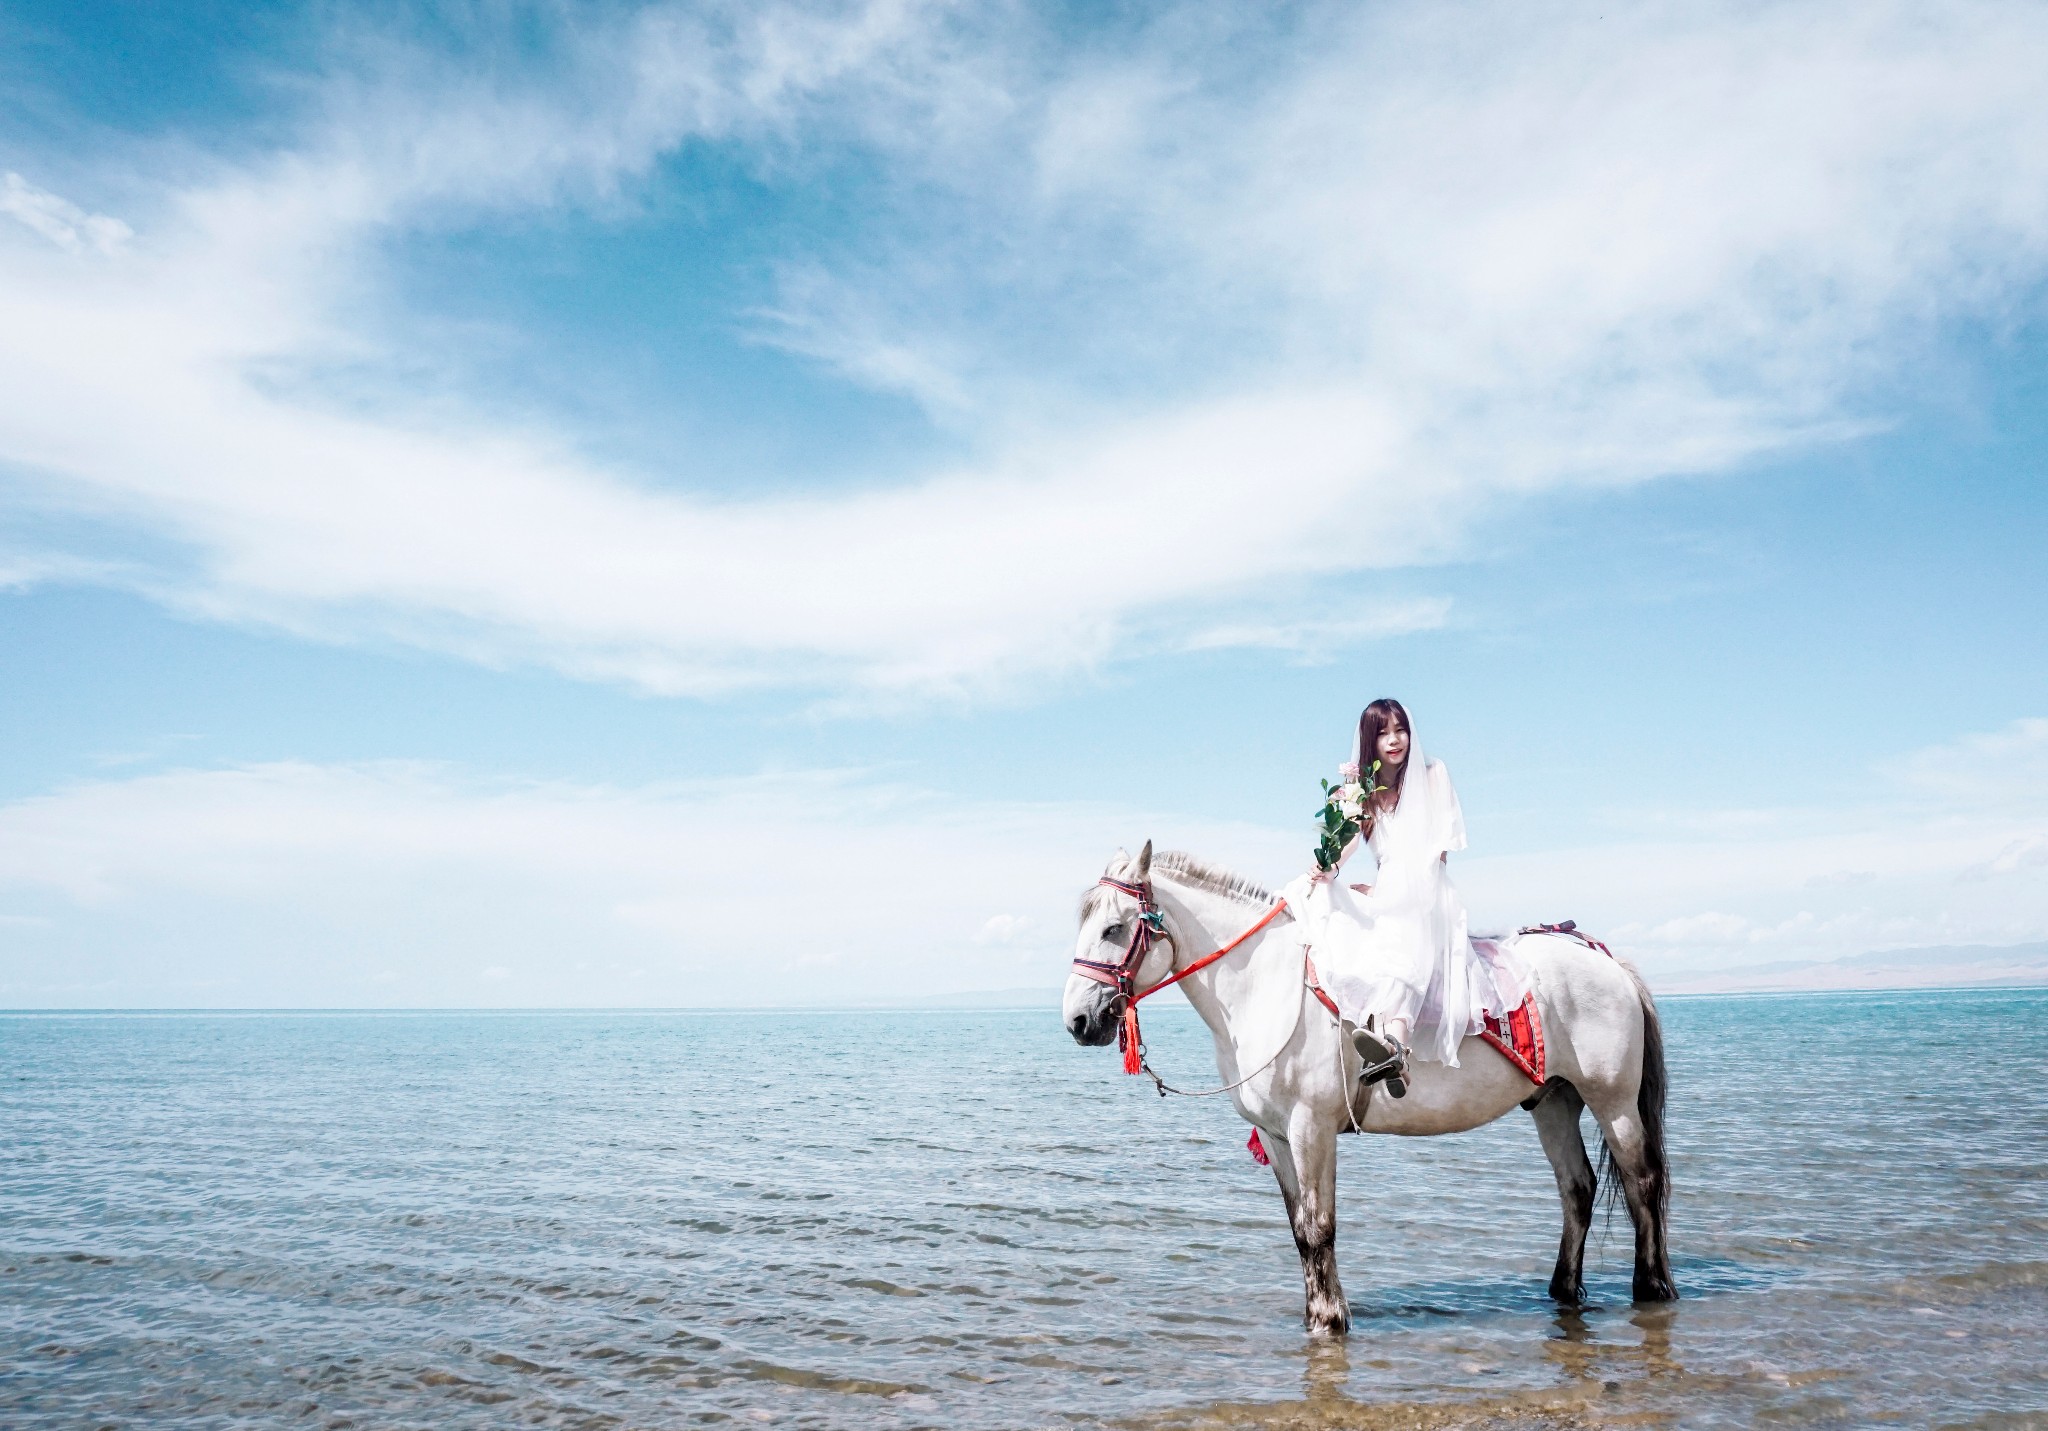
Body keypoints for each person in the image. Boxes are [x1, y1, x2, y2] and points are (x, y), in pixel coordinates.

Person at [1289, 699, 1525, 1098]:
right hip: (1388, 889)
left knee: (1403, 928)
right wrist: (1329, 869)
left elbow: (1441, 849)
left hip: (1429, 889)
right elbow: (1344, 845)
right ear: (1370, 741)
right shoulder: (1361, 790)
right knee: (1310, 892)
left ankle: (1395, 1042)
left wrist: (1394, 890)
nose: (1395, 740)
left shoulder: (1434, 775)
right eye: (1383, 733)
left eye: (1401, 730)